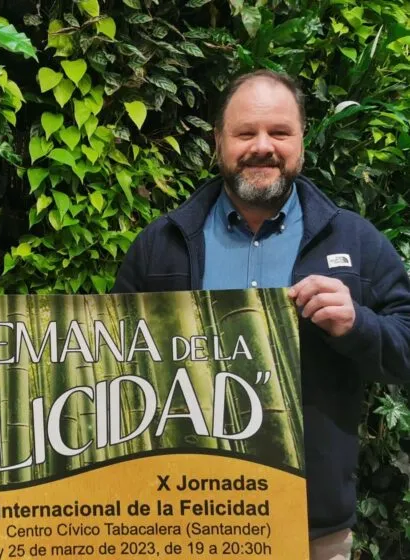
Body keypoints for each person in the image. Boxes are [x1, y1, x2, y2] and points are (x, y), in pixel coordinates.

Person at [112, 69, 410, 560]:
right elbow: (108, 363)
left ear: (302, 143)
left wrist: (358, 324)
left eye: (280, 132)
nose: (262, 146)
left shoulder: (353, 240)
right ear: (219, 142)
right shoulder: (160, 246)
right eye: (246, 133)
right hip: (182, 523)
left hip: (311, 529)